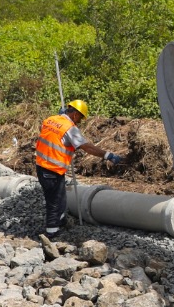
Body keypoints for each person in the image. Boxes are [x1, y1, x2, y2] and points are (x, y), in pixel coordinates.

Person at [34, 100, 124, 240]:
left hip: (42, 167)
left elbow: (48, 134)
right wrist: (107, 155)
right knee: (54, 202)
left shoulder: (51, 120)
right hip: (52, 169)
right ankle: (52, 233)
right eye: (81, 118)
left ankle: (61, 220)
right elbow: (87, 147)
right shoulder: (70, 128)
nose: (80, 121)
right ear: (75, 114)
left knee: (61, 195)